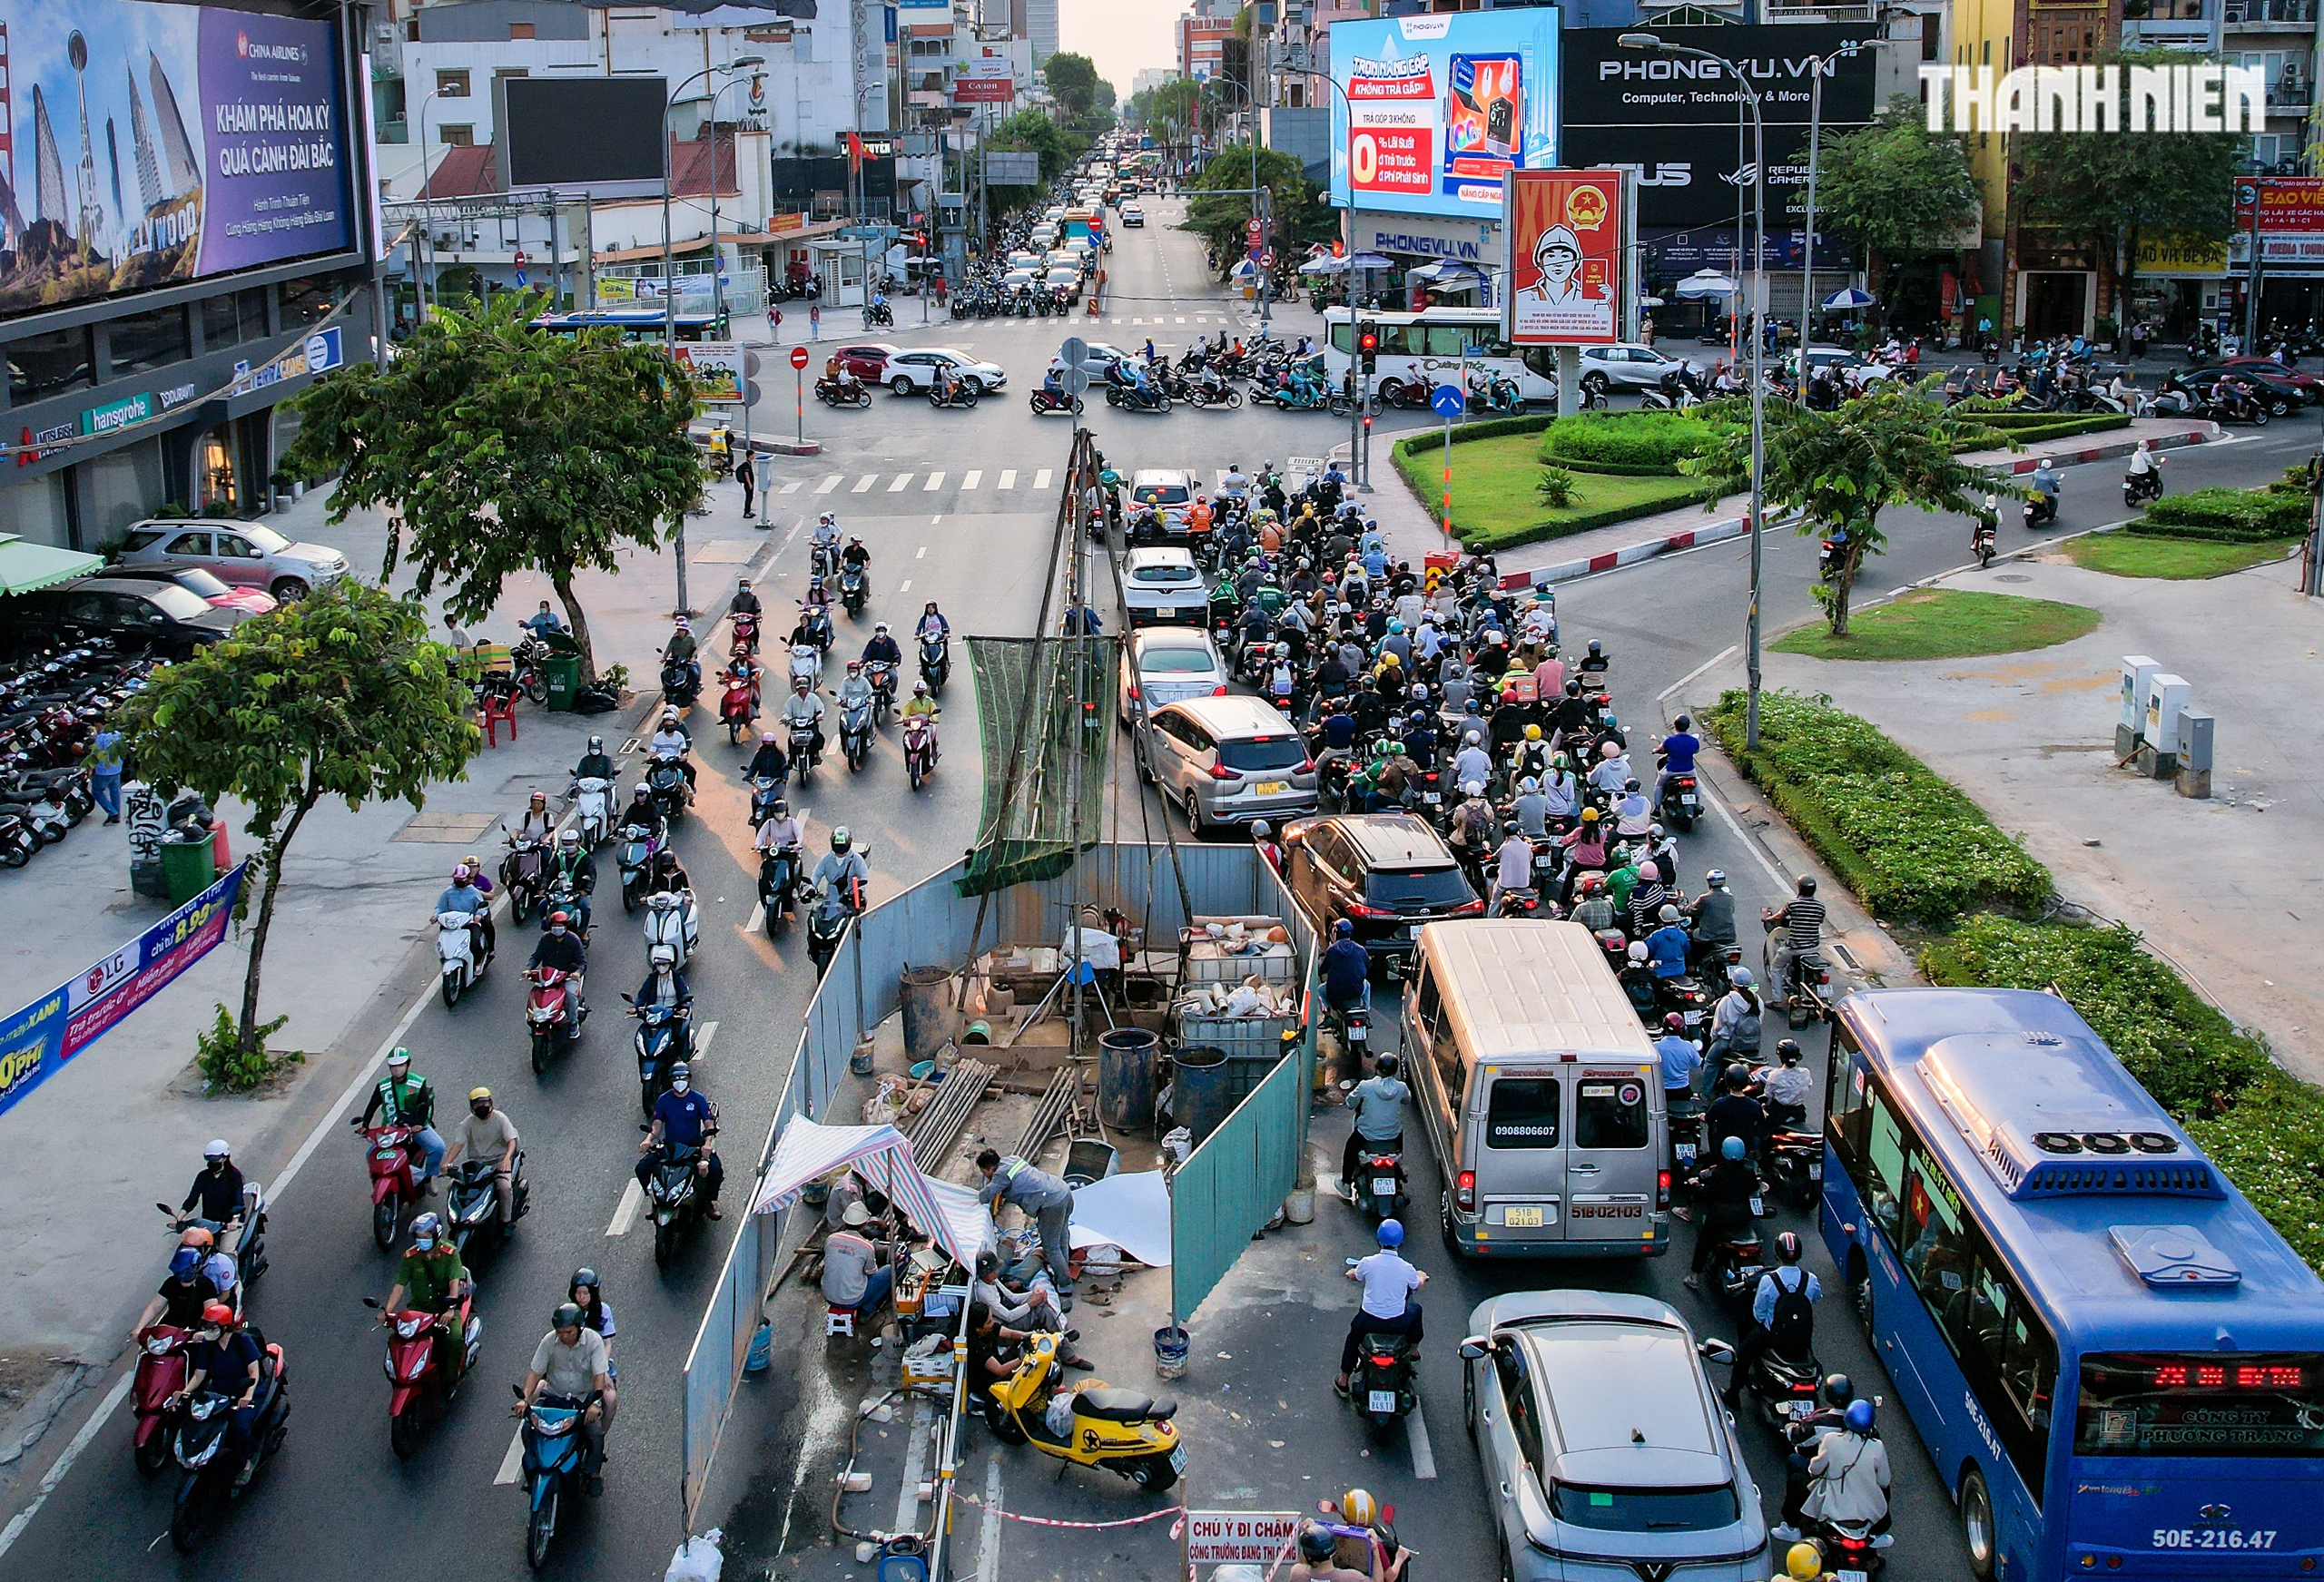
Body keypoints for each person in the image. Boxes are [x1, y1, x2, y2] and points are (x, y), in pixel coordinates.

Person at [516, 1303, 615, 1495]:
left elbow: (599, 1377)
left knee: (594, 1433)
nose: (564, 1336)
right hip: (555, 1397)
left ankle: (592, 1472)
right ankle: (534, 1469)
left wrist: (594, 1404)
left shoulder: (593, 1341)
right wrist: (525, 1399)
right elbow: (535, 1373)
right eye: (560, 1332)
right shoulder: (548, 1342)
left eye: (568, 1332)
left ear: (579, 1328)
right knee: (529, 1429)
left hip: (582, 1400)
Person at [1728, 1230, 1822, 1408]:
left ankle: (1733, 1393)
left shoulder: (1769, 1281)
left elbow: (1758, 1313)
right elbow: (1814, 1299)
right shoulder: (1811, 1280)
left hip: (1772, 1336)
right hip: (1802, 1338)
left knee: (1744, 1352)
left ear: (1777, 1253)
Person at [179, 1301, 268, 1486]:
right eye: (207, 1328)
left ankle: (245, 1464)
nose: (209, 1331)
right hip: (219, 1391)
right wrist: (183, 1392)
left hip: (245, 1392)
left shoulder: (242, 1341)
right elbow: (199, 1375)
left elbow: (254, 1372)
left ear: (225, 1327)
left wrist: (248, 1395)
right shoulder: (208, 1344)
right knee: (198, 1418)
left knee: (239, 1426)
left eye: (213, 1327)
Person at [1335, 1219, 1425, 1399]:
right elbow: (1417, 1285)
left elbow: (1355, 1275)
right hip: (1397, 1323)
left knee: (1353, 1339)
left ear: (1378, 1240)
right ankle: (1414, 1350)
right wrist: (1421, 1276)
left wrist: (1351, 1272)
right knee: (1416, 1310)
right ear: (1401, 1242)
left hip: (1368, 1321)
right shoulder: (1407, 1268)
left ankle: (1344, 1380)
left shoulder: (1368, 1263)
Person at [379, 1211, 470, 1384]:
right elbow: (399, 1286)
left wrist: (450, 1309)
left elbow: (454, 1282)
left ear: (435, 1235)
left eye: (425, 1236)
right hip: (419, 1309)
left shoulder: (449, 1254)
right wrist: (387, 1311)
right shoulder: (410, 1257)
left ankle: (450, 1380)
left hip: (444, 1309)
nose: (421, 1240)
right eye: (418, 1237)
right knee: (398, 1339)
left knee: (453, 1340)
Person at [975, 1148, 1076, 1299]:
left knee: (1051, 1247)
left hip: (1051, 1204)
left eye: (985, 1172)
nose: (986, 1176)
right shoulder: (1012, 1160)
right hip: (1062, 1191)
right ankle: (1063, 1277)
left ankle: (1065, 1284)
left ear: (991, 1168)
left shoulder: (1001, 1175)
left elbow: (984, 1196)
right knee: (1061, 1239)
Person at [1786, 1400, 1891, 1543]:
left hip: (1831, 1509)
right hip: (1869, 1514)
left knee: (1796, 1480)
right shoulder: (1877, 1447)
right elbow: (1884, 1482)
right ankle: (1879, 1535)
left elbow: (1814, 1470)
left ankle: (1791, 1528)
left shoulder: (1831, 1440)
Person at [970, 1251, 1089, 1369]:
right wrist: (1032, 1303)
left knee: (1041, 1306)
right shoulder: (983, 1292)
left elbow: (1013, 1298)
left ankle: (1061, 1342)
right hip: (1001, 1328)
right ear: (986, 1273)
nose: (997, 1272)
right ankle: (1067, 1353)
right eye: (994, 1270)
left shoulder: (993, 1281)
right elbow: (1008, 1316)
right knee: (1042, 1312)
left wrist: (1035, 1294)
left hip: (1006, 1320)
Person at [639, 1061, 723, 1218]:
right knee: (642, 1168)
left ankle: (709, 1202)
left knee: (716, 1169)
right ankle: (655, 1200)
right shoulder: (664, 1100)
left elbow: (709, 1123)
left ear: (689, 1079)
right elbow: (656, 1126)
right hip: (671, 1147)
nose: (679, 1082)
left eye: (682, 1078)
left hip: (693, 1146)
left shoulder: (697, 1099)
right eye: (675, 1079)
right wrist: (648, 1139)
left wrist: (707, 1144)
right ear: (670, 1081)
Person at [361, 1049, 444, 1187]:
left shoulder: (418, 1082)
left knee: (437, 1147)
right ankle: (377, 1181)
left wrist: (418, 1124)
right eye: (393, 1066)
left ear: (408, 1064)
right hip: (391, 1129)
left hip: (414, 1127)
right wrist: (365, 1124)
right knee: (371, 1154)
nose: (397, 1069)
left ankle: (428, 1178)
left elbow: (424, 1105)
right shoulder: (383, 1085)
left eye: (400, 1065)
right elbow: (372, 1106)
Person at [1685, 1135, 1759, 1286]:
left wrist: (1695, 1186)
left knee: (1704, 1242)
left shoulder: (1719, 1173)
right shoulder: (1749, 1172)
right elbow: (1753, 1188)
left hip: (1719, 1217)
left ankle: (1694, 1276)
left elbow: (1707, 1193)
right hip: (1743, 1216)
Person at [444, 1086, 521, 1229]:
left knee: (504, 1187)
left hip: (498, 1162)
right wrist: (447, 1163)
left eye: (484, 1103)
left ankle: (506, 1221)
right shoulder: (467, 1123)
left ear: (490, 1102)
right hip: (477, 1165)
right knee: (452, 1188)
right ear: (472, 1106)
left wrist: (506, 1159)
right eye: (477, 1104)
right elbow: (458, 1144)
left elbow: (511, 1141)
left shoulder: (500, 1118)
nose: (481, 1107)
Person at [1342, 1053, 1409, 1194]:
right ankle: (1399, 1166)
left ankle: (1346, 1184)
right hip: (1392, 1136)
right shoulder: (1401, 1087)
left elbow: (1350, 1103)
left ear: (1377, 1069)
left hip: (1367, 1135)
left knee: (1350, 1149)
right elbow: (1406, 1100)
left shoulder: (1366, 1086)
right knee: (1399, 1132)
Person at [820, 1200, 894, 1318]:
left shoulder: (831, 1239)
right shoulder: (866, 1246)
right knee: (889, 1270)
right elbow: (871, 1272)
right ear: (865, 1224)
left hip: (828, 1295)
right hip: (852, 1300)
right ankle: (867, 1308)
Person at [136, 1245, 223, 1337]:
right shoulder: (171, 1283)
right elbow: (155, 1307)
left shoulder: (206, 1285)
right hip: (168, 1331)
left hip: (192, 1334)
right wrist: (140, 1327)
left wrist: (204, 1333)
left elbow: (210, 1312)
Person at [1765, 876, 1827, 1002]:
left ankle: (1777, 1000)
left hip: (1795, 948)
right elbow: (1820, 921)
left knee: (1776, 967)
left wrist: (1768, 919)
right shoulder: (1821, 906)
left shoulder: (1793, 904)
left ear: (1799, 889)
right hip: (1813, 948)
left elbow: (1779, 917)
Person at [178, 1140, 246, 1235]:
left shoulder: (234, 1176)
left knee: (227, 1249)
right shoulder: (203, 1176)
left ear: (225, 1158)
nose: (213, 1162)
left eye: (216, 1160)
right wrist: (179, 1218)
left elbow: (238, 1202)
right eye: (210, 1160)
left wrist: (234, 1221)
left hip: (228, 1225)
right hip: (208, 1224)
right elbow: (191, 1200)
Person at [527, 911, 588, 1018]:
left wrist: (577, 973)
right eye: (554, 926)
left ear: (565, 927)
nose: (557, 928)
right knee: (536, 996)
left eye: (560, 926)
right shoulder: (546, 939)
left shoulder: (573, 940)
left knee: (570, 997)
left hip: (567, 976)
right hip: (549, 977)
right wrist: (529, 969)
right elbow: (536, 956)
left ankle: (573, 1025)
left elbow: (582, 962)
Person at [435, 860, 497, 964]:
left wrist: (478, 915)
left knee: (474, 942)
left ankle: (478, 962)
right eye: (457, 878)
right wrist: (435, 916)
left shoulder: (473, 891)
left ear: (467, 878)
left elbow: (482, 906)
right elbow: (440, 907)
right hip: (452, 923)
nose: (459, 880)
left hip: (469, 923)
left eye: (462, 878)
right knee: (443, 942)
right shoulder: (448, 891)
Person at [1707, 968, 1764, 1077]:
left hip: (1728, 1041)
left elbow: (1717, 1027)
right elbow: (1759, 1021)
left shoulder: (1727, 1001)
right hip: (1752, 1043)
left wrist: (1713, 1039)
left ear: (1733, 983)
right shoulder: (1758, 1000)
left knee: (1710, 1061)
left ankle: (1706, 1093)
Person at [811, 826, 871, 923]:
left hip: (850, 897)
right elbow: (816, 875)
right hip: (831, 897)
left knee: (854, 921)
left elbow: (863, 876)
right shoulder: (826, 860)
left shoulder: (857, 859)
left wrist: (859, 891)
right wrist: (811, 888)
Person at [1708, 1064, 1767, 1164]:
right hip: (1747, 1145)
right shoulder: (1754, 1105)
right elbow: (1761, 1120)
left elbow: (1709, 1119)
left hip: (1722, 1144)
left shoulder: (1719, 1104)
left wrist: (1701, 1116)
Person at [547, 828, 597, 933]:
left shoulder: (586, 858)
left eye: (571, 843)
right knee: (542, 906)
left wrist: (586, 890)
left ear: (578, 842)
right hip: (560, 892)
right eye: (566, 843)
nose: (569, 846)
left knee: (585, 908)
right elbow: (549, 873)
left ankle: (583, 933)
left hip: (578, 891)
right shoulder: (559, 857)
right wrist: (543, 887)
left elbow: (592, 876)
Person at [1687, 870, 1738, 971]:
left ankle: (1691, 966)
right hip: (1729, 936)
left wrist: (1680, 909)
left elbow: (1691, 910)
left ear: (1709, 882)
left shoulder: (1704, 899)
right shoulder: (1730, 897)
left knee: (1685, 937)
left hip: (1709, 936)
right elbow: (1731, 910)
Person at [1321, 919, 1370, 1018]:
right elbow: (1368, 965)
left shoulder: (1332, 950)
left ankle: (1327, 1015)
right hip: (1357, 990)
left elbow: (1323, 969)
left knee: (1319, 989)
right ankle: (1366, 1012)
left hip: (1335, 992)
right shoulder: (1360, 949)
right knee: (1367, 985)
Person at [1761, 1038, 1815, 1129]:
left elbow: (1768, 1096)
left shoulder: (1774, 1076)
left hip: (1779, 1113)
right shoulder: (1806, 1072)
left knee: (1761, 1132)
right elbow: (1809, 1084)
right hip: (1799, 1113)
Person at [1656, 714, 1700, 811]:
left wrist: (1656, 750)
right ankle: (1697, 804)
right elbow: (1696, 751)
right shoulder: (1694, 741)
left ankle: (1657, 810)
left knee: (1659, 785)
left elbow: (1661, 749)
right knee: (1696, 784)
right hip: (1689, 770)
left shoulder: (1670, 741)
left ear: (1675, 726)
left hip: (1672, 770)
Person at [1489, 820, 1534, 912]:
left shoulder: (1505, 847)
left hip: (1505, 884)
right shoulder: (1526, 846)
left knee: (1495, 900)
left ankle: (1491, 918)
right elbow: (1531, 858)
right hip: (1523, 884)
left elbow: (1495, 857)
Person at [783, 676, 827, 766]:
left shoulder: (813, 698)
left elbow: (820, 708)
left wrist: (819, 716)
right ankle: (791, 759)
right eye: (800, 688)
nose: (802, 690)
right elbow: (787, 712)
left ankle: (816, 755)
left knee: (816, 737)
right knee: (791, 741)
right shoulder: (792, 700)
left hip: (810, 723)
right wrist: (785, 718)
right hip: (796, 724)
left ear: (807, 687)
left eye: (803, 688)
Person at [1645, 904, 1691, 980]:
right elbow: (1686, 950)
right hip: (1680, 970)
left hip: (1659, 972)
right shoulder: (1683, 935)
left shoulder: (1656, 936)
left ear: (1661, 919)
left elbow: (1648, 952)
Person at [88, 725, 123, 823]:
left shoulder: (101, 738)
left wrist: (90, 769)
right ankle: (117, 815)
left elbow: (95, 755)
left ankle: (112, 812)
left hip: (104, 771)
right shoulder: (117, 735)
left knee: (97, 792)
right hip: (117, 768)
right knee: (115, 792)